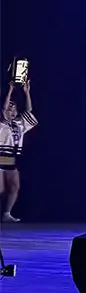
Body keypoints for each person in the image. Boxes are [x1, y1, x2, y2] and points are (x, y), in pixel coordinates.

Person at [0, 78, 36, 222]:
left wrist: (26, 92)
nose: (12, 111)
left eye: (14, 108)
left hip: (11, 159)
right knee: (1, 189)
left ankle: (6, 214)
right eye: (10, 108)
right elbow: (4, 110)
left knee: (14, 187)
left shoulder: (18, 124)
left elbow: (29, 111)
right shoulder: (2, 123)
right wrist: (10, 91)